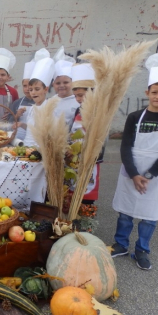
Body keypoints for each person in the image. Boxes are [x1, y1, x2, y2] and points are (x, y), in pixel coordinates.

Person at [111, 52, 158, 270]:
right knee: (126, 213)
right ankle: (120, 244)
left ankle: (142, 249)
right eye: (155, 92)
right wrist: (134, 173)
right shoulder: (134, 117)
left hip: (156, 175)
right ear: (147, 92)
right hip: (132, 171)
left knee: (150, 217)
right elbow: (126, 146)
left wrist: (148, 175)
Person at [64, 63, 102, 210]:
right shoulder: (78, 110)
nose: (78, 99)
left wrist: (85, 154)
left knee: (85, 200)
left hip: (89, 163)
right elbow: (72, 134)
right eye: (76, 96)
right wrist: (68, 148)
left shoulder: (100, 112)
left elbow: (100, 143)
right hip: (73, 161)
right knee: (72, 198)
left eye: (81, 95)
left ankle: (85, 227)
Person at [18, 49, 55, 147]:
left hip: (38, 152)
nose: (33, 92)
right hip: (26, 148)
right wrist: (22, 125)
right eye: (31, 89)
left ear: (46, 89)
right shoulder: (33, 107)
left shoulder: (49, 108)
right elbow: (31, 130)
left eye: (37, 89)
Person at [52, 46, 80, 126]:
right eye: (58, 83)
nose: (61, 85)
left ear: (72, 82)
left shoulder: (77, 101)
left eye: (65, 82)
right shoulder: (51, 101)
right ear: (53, 84)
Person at [10, 60, 35, 141]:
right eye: (25, 86)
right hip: (17, 139)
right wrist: (16, 116)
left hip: (34, 139)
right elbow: (9, 122)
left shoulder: (42, 103)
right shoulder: (17, 103)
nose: (27, 89)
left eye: (30, 86)